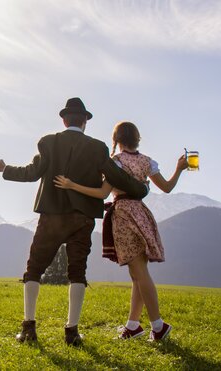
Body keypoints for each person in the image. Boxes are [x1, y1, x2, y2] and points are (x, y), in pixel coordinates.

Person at [0, 98, 149, 346]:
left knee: (34, 269)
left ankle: (29, 328)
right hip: (82, 219)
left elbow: (31, 173)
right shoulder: (97, 148)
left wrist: (4, 169)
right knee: (77, 272)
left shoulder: (48, 142)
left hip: (51, 216)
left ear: (64, 120)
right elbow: (118, 177)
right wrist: (142, 190)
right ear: (85, 121)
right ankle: (72, 332)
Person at [53, 121, 188, 341]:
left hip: (124, 216)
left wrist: (72, 185)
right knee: (137, 273)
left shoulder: (116, 163)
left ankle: (158, 326)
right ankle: (133, 326)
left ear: (116, 140)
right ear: (137, 139)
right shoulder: (147, 162)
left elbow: (102, 193)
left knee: (140, 273)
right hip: (142, 215)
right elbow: (167, 187)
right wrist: (179, 169)